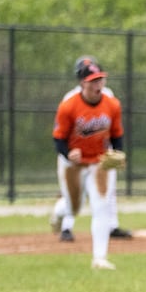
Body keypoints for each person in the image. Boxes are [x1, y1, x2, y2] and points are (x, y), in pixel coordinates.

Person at [51, 56, 126, 270]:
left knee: (101, 207)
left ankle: (99, 258)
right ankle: (58, 212)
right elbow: (58, 137)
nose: (98, 84)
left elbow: (117, 134)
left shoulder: (112, 104)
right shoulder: (69, 105)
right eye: (93, 80)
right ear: (82, 83)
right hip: (73, 165)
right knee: (73, 207)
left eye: (100, 79)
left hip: (99, 163)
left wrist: (118, 153)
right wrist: (67, 153)